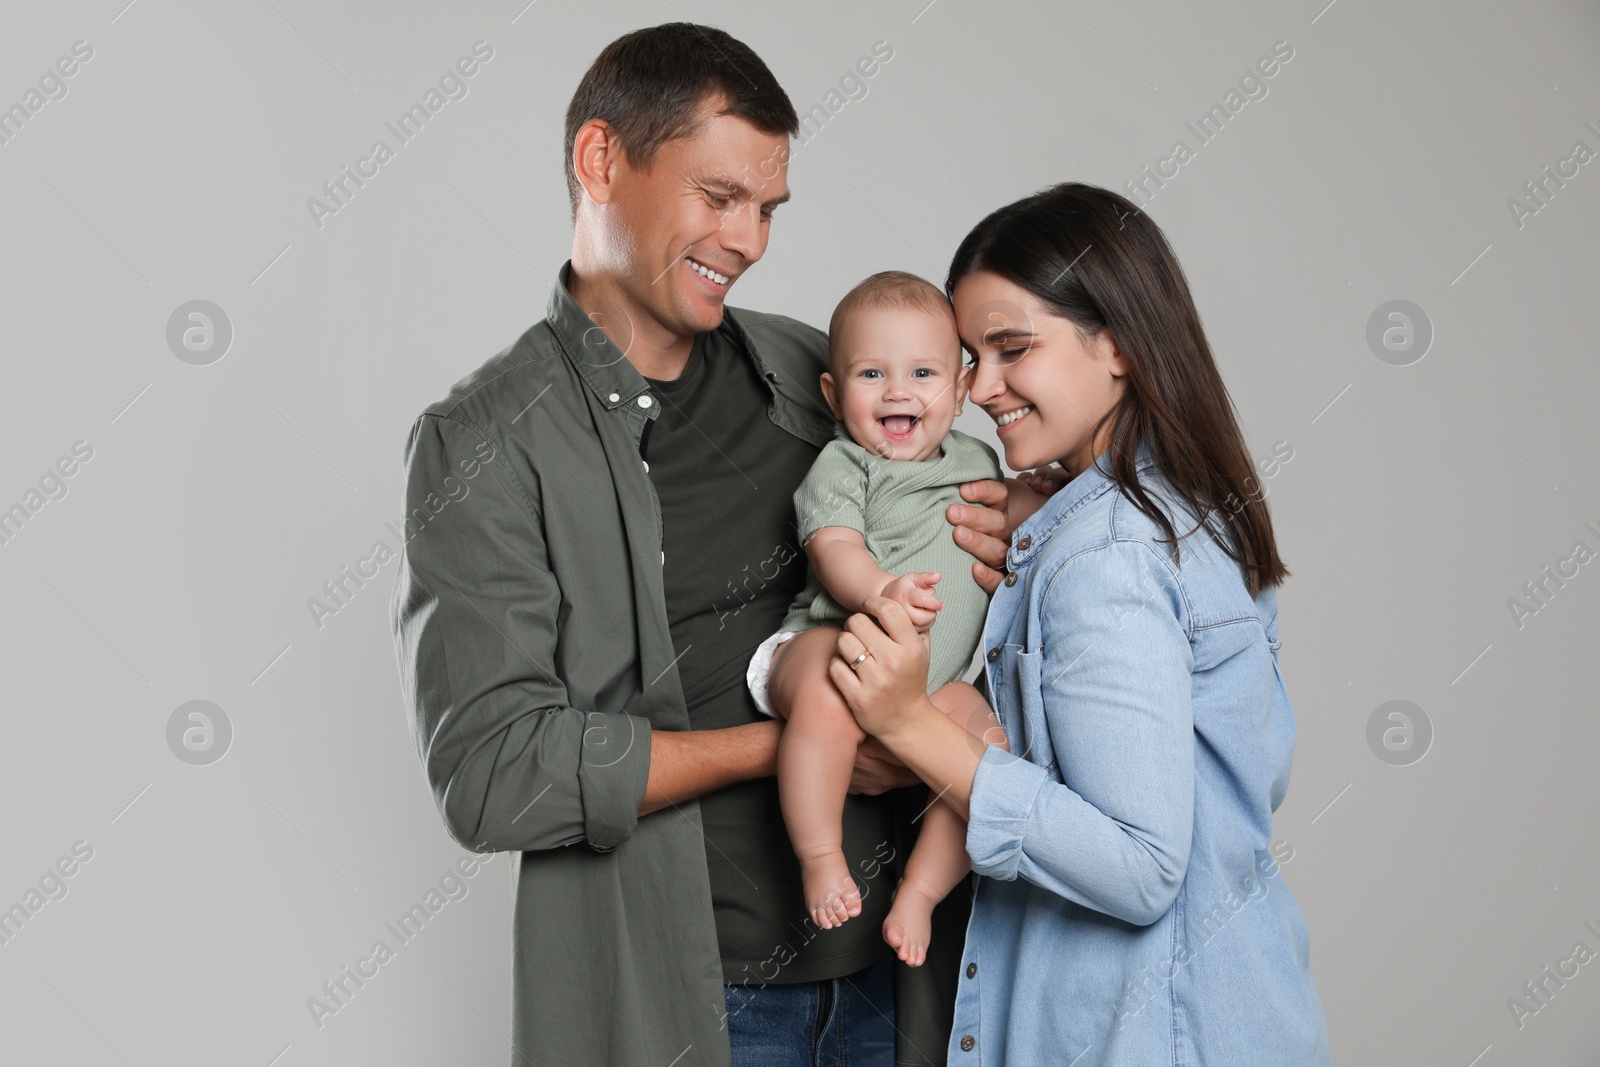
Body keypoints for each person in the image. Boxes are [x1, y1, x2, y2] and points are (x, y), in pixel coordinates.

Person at [388, 24, 1040, 1067]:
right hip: (695, 1004)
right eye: (719, 197)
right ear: (602, 160)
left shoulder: (823, 367)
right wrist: (801, 744)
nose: (747, 241)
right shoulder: (487, 443)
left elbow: (984, 471)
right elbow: (490, 771)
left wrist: (1013, 516)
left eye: (768, 209)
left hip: (903, 971)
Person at [826, 183, 1334, 1065]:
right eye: (971, 356)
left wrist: (909, 723)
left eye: (1011, 348)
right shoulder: (1181, 514)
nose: (979, 387)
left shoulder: (1108, 558)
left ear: (1120, 344)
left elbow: (1141, 866)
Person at [745, 271, 1008, 966]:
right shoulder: (846, 463)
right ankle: (820, 853)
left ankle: (920, 891)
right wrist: (881, 590)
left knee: (988, 749)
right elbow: (835, 547)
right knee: (833, 692)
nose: (898, 391)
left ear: (957, 392)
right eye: (872, 373)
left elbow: (1017, 522)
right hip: (826, 641)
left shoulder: (980, 463)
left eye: (922, 372)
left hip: (922, 684)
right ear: (835, 393)